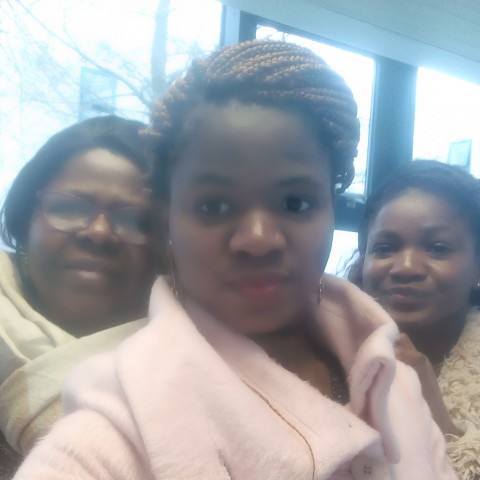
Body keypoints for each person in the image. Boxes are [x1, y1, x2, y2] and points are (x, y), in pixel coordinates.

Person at [14, 41, 456, 479]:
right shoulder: (121, 420)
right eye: (214, 206)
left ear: (330, 209)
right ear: (167, 223)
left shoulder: (396, 381)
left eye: (296, 202)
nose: (258, 240)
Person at [0, 115, 158, 463]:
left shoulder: (211, 376)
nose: (99, 233)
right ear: (25, 222)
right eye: (69, 207)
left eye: (135, 219)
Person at [348, 159, 480, 480]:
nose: (406, 267)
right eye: (385, 248)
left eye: (438, 248)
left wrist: (434, 416)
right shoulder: (323, 349)